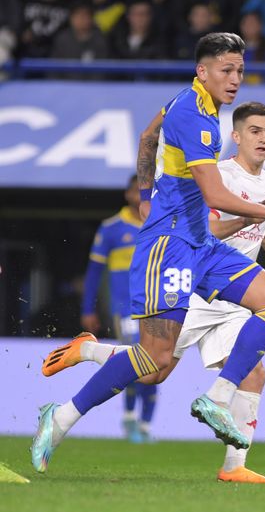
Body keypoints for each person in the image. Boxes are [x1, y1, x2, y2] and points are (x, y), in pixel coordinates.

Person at [31, 32, 265, 473]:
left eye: (239, 69)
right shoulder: (195, 116)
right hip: (171, 246)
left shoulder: (192, 101)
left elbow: (147, 136)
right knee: (154, 362)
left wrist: (145, 192)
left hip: (201, 243)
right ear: (203, 71)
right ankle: (61, 417)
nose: (235, 78)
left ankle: (217, 399)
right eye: (226, 70)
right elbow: (215, 189)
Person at [64, 175, 157, 443]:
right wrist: (88, 308)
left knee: (155, 361)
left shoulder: (162, 224)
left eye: (148, 192)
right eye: (138, 191)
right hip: (124, 307)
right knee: (136, 357)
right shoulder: (111, 228)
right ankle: (129, 418)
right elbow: (94, 273)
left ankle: (146, 424)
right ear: (128, 194)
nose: (142, 196)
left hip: (155, 305)